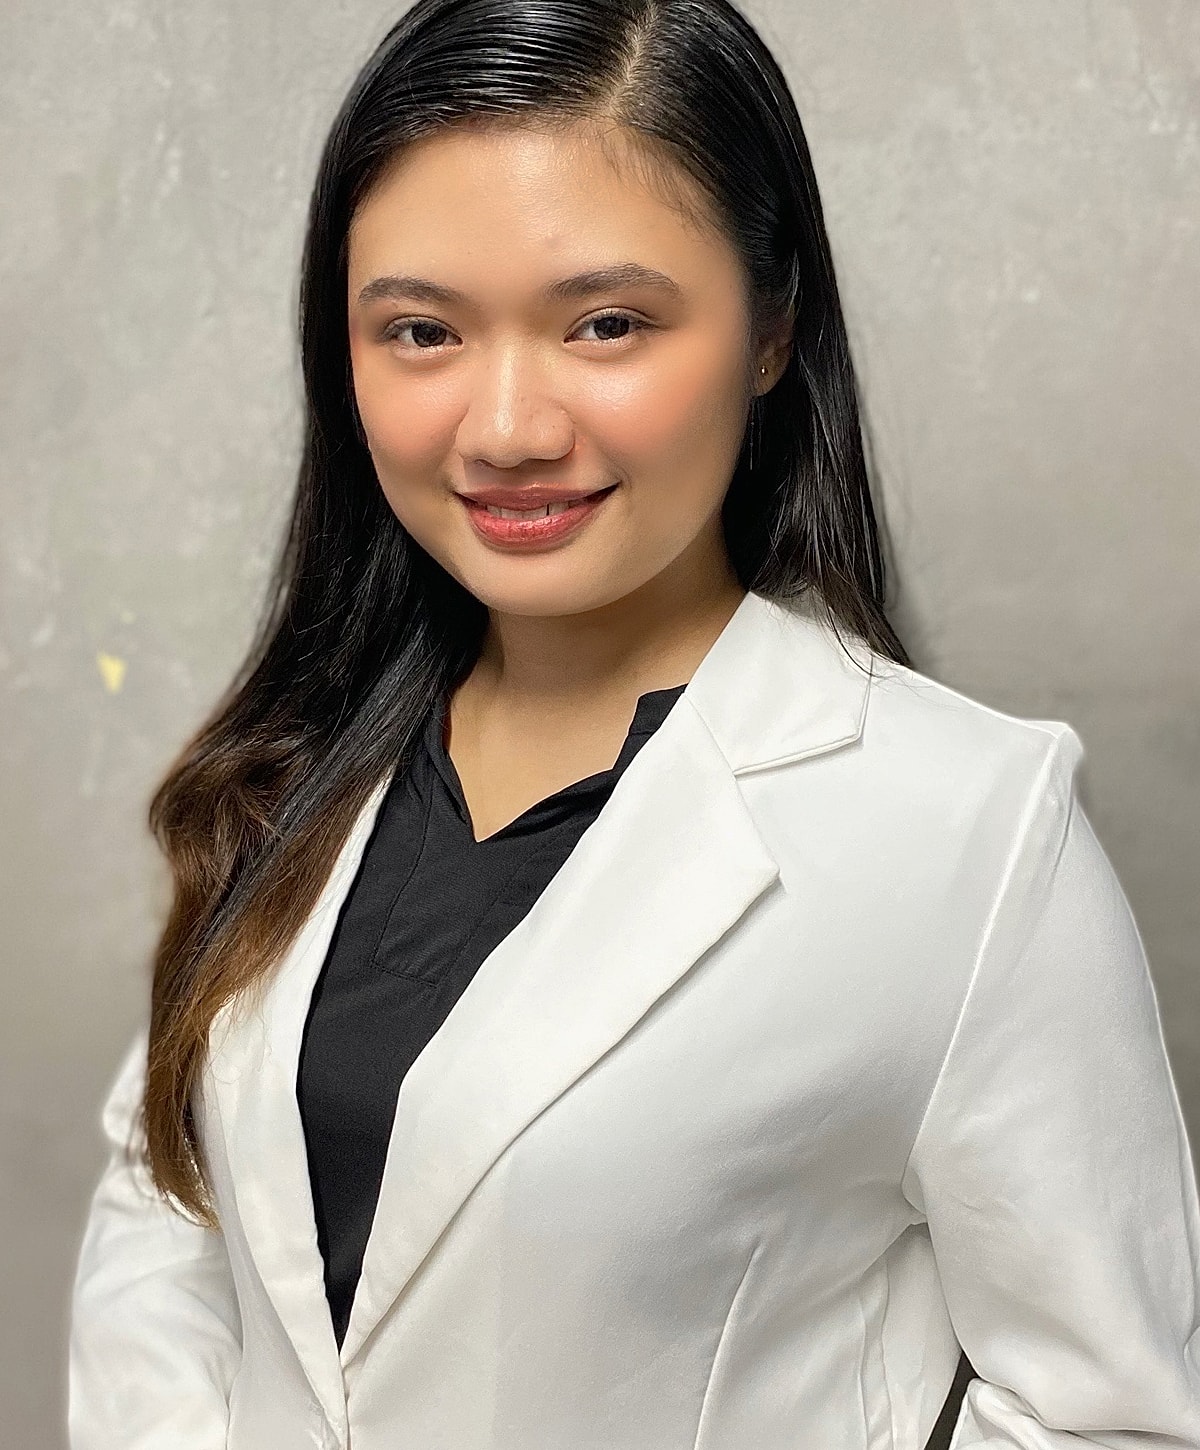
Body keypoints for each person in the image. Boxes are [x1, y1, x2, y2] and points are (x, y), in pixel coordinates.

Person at [67, 1, 1200, 1447]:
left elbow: (1112, 1415)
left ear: (772, 328)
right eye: (422, 331)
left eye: (607, 323)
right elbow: (171, 1189)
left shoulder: (967, 832)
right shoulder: (298, 761)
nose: (506, 428)